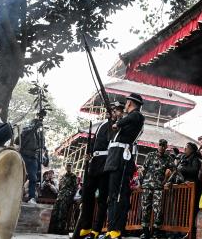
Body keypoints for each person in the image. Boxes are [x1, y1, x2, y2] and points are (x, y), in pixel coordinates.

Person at [75, 101, 123, 239]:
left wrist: (113, 120)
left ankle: (96, 230)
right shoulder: (102, 124)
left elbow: (111, 136)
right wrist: (89, 153)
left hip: (106, 163)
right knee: (87, 194)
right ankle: (85, 227)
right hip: (94, 162)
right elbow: (95, 141)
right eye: (113, 110)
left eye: (117, 110)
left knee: (102, 199)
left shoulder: (117, 127)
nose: (114, 112)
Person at [104, 93, 145, 239]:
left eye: (126, 103)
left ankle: (117, 230)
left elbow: (131, 118)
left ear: (130, 103)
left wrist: (118, 123)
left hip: (122, 159)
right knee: (113, 195)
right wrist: (115, 122)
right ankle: (110, 229)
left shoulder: (137, 116)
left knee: (120, 195)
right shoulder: (127, 121)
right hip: (114, 159)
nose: (125, 106)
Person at [139, 138, 175, 239]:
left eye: (164, 145)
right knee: (145, 208)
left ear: (166, 147)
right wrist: (140, 182)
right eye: (160, 145)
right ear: (157, 145)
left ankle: (156, 232)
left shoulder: (168, 158)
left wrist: (167, 180)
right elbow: (143, 169)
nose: (162, 147)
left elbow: (174, 170)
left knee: (158, 209)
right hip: (147, 186)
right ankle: (145, 232)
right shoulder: (150, 155)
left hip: (159, 187)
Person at [19, 116, 44, 203]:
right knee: (21, 176)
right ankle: (18, 195)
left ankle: (31, 197)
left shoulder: (38, 134)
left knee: (33, 178)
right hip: (24, 155)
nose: (37, 124)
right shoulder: (26, 129)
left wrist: (41, 132)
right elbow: (25, 134)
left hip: (33, 158)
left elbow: (41, 146)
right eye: (35, 123)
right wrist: (35, 126)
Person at [49, 163, 79, 234]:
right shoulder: (63, 176)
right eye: (67, 166)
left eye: (70, 166)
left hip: (66, 197)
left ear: (72, 168)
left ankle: (60, 229)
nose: (68, 167)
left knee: (62, 213)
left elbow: (75, 188)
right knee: (55, 212)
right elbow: (60, 187)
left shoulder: (73, 176)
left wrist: (71, 198)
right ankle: (53, 229)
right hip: (60, 196)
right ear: (66, 167)